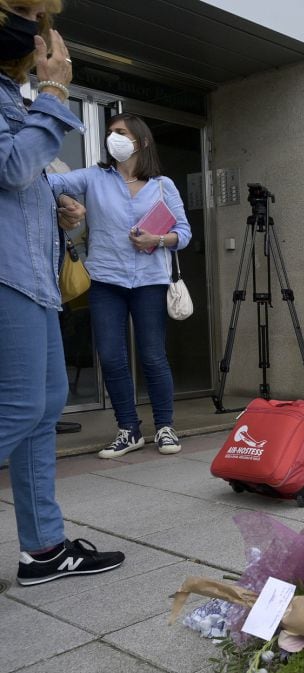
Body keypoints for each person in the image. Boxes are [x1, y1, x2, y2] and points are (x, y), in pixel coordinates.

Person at [1, 3, 125, 585]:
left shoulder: (11, 96)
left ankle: (45, 548)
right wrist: (52, 93)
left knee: (44, 408)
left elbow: (18, 184)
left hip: (30, 275)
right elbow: (10, 166)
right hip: (6, 276)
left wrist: (58, 210)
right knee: (23, 407)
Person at [49, 112, 191, 458]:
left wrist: (157, 239)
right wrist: (66, 201)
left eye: (121, 132)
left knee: (153, 356)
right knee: (111, 357)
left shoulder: (162, 185)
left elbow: (184, 234)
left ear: (140, 141)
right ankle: (128, 430)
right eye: (110, 132)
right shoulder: (94, 178)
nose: (114, 137)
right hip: (106, 280)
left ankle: (165, 427)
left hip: (148, 282)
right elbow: (48, 184)